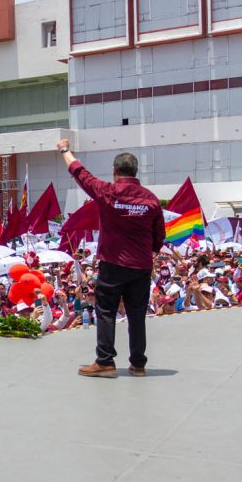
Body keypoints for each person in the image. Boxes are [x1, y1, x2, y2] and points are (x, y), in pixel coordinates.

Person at [58, 138, 165, 377]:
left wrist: (65, 149)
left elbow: (79, 172)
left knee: (105, 311)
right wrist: (151, 251)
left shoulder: (107, 192)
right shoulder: (151, 199)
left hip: (113, 264)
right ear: (136, 171)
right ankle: (138, 364)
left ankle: (105, 361)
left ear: (115, 172)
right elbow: (160, 236)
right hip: (141, 266)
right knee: (137, 314)